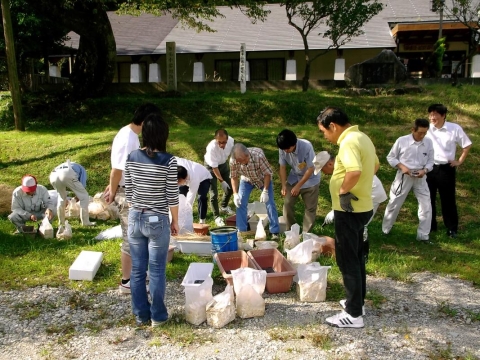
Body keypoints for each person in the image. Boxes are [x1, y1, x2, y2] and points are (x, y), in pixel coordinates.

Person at [317, 107, 377, 329]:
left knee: (347, 259)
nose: (325, 136)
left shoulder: (349, 142)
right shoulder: (363, 138)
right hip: (362, 208)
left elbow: (354, 172)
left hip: (349, 211)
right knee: (357, 256)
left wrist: (342, 192)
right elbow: (375, 166)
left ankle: (353, 315)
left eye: (324, 131)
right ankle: (357, 303)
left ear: (333, 126)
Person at [124, 113, 179, 327]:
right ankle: (158, 316)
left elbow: (128, 189)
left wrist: (135, 208)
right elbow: (172, 195)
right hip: (157, 218)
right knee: (156, 270)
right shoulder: (169, 160)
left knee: (137, 270)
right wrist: (175, 221)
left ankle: (141, 315)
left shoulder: (131, 157)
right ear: (163, 135)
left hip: (135, 216)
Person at [103, 103, 161, 294]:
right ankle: (127, 281)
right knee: (131, 237)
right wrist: (112, 191)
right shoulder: (129, 138)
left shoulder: (129, 134)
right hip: (127, 194)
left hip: (130, 189)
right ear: (145, 122)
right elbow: (116, 170)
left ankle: (139, 273)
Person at [318, 152, 387, 262]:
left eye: (322, 169)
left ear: (330, 164)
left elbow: (348, 189)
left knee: (360, 224)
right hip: (361, 193)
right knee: (353, 223)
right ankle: (355, 253)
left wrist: (335, 211)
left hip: (371, 193)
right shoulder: (340, 167)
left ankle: (363, 255)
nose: (324, 173)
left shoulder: (344, 168)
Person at [382, 119, 434, 242]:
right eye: (420, 132)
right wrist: (402, 167)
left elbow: (431, 161)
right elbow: (391, 157)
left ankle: (423, 236)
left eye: (425, 133)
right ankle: (385, 230)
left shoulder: (428, 142)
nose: (422, 136)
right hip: (404, 176)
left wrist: (425, 170)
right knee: (394, 203)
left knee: (426, 206)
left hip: (421, 177)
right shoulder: (402, 141)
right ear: (413, 130)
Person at [425, 104, 472, 238]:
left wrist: (459, 161)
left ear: (443, 115)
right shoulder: (427, 129)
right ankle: (430, 226)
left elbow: (467, 145)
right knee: (428, 198)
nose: (432, 117)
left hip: (446, 169)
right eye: (430, 114)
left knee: (448, 200)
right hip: (430, 168)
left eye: (435, 114)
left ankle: (452, 228)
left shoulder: (454, 128)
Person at [230, 143, 280, 239]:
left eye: (245, 159)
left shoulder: (258, 155)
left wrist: (265, 191)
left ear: (248, 153)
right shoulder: (233, 160)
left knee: (270, 203)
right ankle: (241, 231)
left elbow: (267, 174)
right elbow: (234, 176)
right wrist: (235, 194)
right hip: (246, 180)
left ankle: (275, 231)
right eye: (241, 161)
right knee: (240, 202)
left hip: (262, 179)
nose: (244, 162)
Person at [277, 129, 320, 233]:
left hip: (311, 179)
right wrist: (283, 185)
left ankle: (306, 234)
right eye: (283, 149)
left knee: (310, 208)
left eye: (287, 148)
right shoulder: (283, 148)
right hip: (294, 176)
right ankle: (291, 230)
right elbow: (282, 167)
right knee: (287, 204)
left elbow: (311, 168)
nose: (285, 151)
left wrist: (298, 186)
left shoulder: (306, 146)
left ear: (294, 143)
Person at [49, 160, 96, 234]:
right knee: (84, 197)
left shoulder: (69, 165)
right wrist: (77, 196)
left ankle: (61, 222)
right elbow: (82, 186)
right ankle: (86, 222)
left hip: (53, 175)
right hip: (67, 173)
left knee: (61, 198)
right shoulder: (82, 169)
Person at [204, 129, 235, 226]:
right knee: (213, 193)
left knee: (231, 187)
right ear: (215, 139)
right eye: (219, 142)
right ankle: (216, 216)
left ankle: (224, 206)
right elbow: (214, 167)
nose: (222, 145)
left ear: (227, 138)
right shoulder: (211, 148)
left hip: (223, 165)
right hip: (210, 167)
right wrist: (221, 181)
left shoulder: (231, 141)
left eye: (224, 142)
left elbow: (233, 155)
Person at [176, 157, 212, 224]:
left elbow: (191, 196)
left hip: (204, 178)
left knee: (201, 197)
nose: (178, 183)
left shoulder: (194, 178)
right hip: (188, 176)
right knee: (181, 196)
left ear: (185, 178)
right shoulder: (176, 164)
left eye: (179, 181)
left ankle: (202, 220)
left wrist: (186, 213)